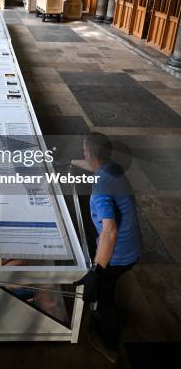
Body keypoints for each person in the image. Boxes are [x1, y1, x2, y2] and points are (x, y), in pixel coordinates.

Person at [73, 132, 142, 364]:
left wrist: (97, 271)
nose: (83, 154)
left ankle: (110, 343)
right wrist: (68, 163)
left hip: (118, 254)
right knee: (108, 287)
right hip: (132, 249)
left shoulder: (101, 187)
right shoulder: (114, 168)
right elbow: (94, 164)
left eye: (84, 151)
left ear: (91, 154)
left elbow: (109, 230)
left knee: (103, 294)